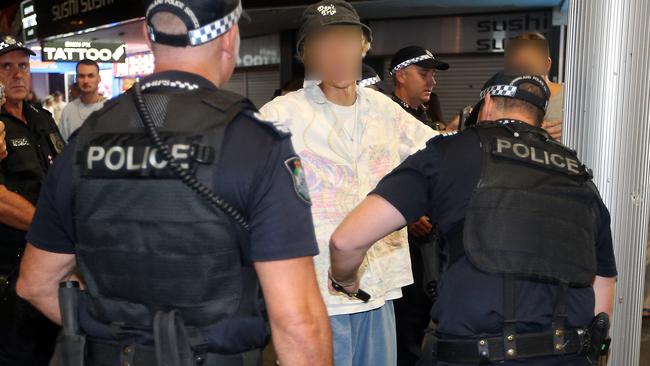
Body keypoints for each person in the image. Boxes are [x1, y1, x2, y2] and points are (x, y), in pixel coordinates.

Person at [15, 1, 332, 365]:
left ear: (150, 39)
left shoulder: (84, 141)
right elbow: (297, 322)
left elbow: (35, 285)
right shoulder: (256, 144)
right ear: (230, 38)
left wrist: (111, 330)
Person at [330, 73, 617, 366]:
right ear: (539, 118)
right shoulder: (579, 175)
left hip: (471, 354)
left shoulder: (449, 153)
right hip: (566, 356)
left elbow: (346, 241)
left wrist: (346, 281)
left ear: (488, 104)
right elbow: (603, 288)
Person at [260, 1, 437, 365]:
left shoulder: (385, 110)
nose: (337, 52)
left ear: (364, 46)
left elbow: (437, 154)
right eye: (323, 43)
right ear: (304, 54)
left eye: (346, 39)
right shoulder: (280, 115)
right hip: (312, 294)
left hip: (379, 287)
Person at [0, 33, 65, 366]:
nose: (17, 74)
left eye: (23, 66)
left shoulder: (43, 118)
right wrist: (51, 229)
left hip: (51, 266)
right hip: (10, 272)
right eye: (7, 67)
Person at [505, 31, 563, 141]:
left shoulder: (570, 100)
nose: (524, 72)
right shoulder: (505, 99)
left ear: (547, 64)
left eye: (530, 64)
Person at [390, 46, 449, 132]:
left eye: (433, 75)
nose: (433, 82)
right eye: (423, 74)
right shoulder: (389, 116)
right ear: (401, 76)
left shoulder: (421, 112)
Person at [58, 59, 107, 142]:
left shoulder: (110, 108)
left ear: (99, 79)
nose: (86, 81)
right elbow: (62, 147)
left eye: (91, 76)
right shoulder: (69, 110)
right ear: (76, 79)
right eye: (81, 76)